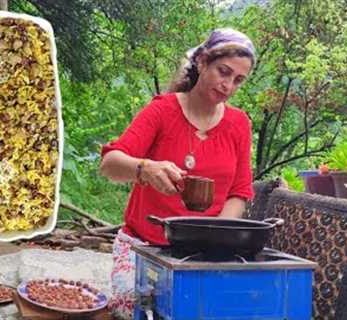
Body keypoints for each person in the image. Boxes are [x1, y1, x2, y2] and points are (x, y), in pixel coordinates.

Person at [99, 28, 256, 319]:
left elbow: (239, 192)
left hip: (202, 253)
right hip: (142, 247)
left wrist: (216, 239)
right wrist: (144, 168)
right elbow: (110, 163)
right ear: (202, 62)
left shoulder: (238, 124)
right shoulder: (162, 110)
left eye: (238, 80)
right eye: (224, 72)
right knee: (136, 309)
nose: (228, 85)